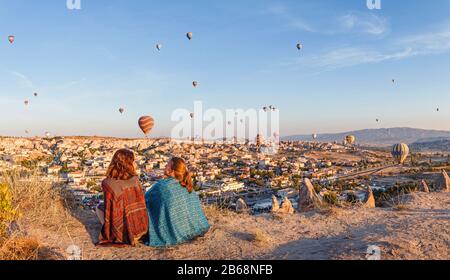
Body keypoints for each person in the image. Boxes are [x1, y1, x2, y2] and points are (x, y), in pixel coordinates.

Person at [145, 157, 210, 247]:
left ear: (172, 170)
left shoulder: (162, 186)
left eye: (167, 164)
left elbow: (145, 200)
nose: (165, 166)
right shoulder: (187, 185)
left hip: (172, 234)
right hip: (192, 229)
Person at [97, 149, 149, 246]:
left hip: (121, 235)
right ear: (129, 164)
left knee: (99, 207)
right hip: (141, 230)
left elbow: (109, 207)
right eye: (133, 161)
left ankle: (113, 231)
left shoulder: (107, 183)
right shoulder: (135, 180)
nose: (135, 164)